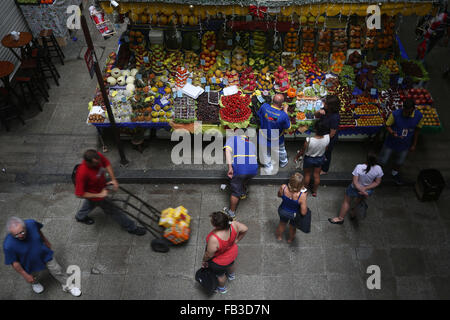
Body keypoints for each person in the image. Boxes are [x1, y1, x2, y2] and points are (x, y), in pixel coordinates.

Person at [3, 217, 82, 296]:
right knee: (33, 276)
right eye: (16, 235)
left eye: (22, 232)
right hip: (28, 263)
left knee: (57, 270)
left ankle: (68, 285)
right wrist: (26, 275)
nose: (20, 236)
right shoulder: (8, 245)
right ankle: (35, 283)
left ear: (25, 226)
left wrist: (45, 241)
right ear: (11, 234)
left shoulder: (31, 223)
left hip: (44, 254)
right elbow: (15, 263)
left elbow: (38, 231)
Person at [74, 149, 146, 235]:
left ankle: (80, 216)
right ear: (89, 163)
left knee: (89, 204)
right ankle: (131, 227)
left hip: (101, 188)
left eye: (99, 162)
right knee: (115, 211)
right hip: (97, 195)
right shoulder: (82, 173)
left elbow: (107, 164)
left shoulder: (97, 157)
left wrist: (113, 179)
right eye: (96, 164)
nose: (99, 164)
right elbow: (79, 194)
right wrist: (99, 195)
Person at [328, 152, 383, 224]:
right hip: (367, 191)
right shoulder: (379, 169)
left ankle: (340, 218)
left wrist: (361, 190)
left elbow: (355, 182)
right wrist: (364, 190)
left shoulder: (359, 167)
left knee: (346, 202)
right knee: (358, 201)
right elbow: (377, 182)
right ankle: (353, 214)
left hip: (354, 188)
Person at [378, 99, 423, 185]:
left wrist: (414, 144)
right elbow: (387, 125)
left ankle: (394, 174)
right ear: (403, 108)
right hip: (391, 142)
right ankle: (378, 173)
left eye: (409, 112)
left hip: (405, 144)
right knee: (383, 160)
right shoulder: (395, 114)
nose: (406, 114)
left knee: (399, 161)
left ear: (414, 109)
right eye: (405, 111)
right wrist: (392, 132)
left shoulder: (419, 116)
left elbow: (417, 130)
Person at [202, 211, 248, 294]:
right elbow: (245, 229)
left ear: (215, 225)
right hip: (232, 253)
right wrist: (237, 240)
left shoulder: (214, 239)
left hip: (220, 262)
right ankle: (231, 275)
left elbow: (209, 255)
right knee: (231, 264)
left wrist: (204, 260)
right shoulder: (234, 224)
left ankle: (222, 288)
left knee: (221, 275)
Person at [223, 134, 259, 219]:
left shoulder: (232, 138)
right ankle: (243, 193)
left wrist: (230, 167)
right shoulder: (251, 142)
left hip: (241, 168)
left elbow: (227, 151)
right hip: (253, 168)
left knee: (235, 191)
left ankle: (231, 212)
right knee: (245, 178)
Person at [294, 121, 330, 197]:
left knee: (307, 175)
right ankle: (314, 191)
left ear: (315, 129)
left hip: (309, 159)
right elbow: (326, 148)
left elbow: (302, 151)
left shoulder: (309, 140)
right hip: (320, 158)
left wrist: (297, 157)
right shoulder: (327, 138)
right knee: (316, 175)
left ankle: (305, 189)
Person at [257, 93, 291, 174]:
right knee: (281, 151)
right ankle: (283, 162)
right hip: (277, 138)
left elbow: (259, 114)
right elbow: (288, 127)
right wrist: (285, 110)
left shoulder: (264, 106)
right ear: (282, 104)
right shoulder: (283, 115)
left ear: (272, 100)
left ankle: (268, 166)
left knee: (265, 152)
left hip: (264, 135)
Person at [276, 173, 308, 243]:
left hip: (282, 210)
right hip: (294, 215)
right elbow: (303, 212)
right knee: (292, 228)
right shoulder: (302, 196)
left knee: (282, 224)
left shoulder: (283, 187)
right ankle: (290, 240)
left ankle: (279, 237)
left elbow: (279, 195)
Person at [314, 95, 340, 175]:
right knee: (321, 152)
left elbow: (332, 134)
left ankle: (324, 170)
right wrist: (318, 112)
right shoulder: (326, 109)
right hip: (322, 135)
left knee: (327, 154)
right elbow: (315, 115)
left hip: (328, 139)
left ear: (331, 106)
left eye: (325, 103)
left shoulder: (335, 117)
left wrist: (322, 140)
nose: (323, 103)